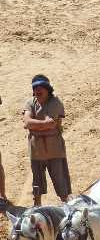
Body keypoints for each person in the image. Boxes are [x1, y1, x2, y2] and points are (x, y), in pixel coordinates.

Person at [23, 75, 70, 207]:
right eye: (35, 88)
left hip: (54, 149)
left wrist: (34, 126)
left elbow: (50, 124)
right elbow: (27, 121)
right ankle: (37, 205)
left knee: (60, 179)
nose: (37, 90)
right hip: (36, 150)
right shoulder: (30, 102)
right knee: (37, 180)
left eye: (40, 87)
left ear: (47, 89)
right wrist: (43, 124)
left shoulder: (55, 102)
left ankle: (66, 204)